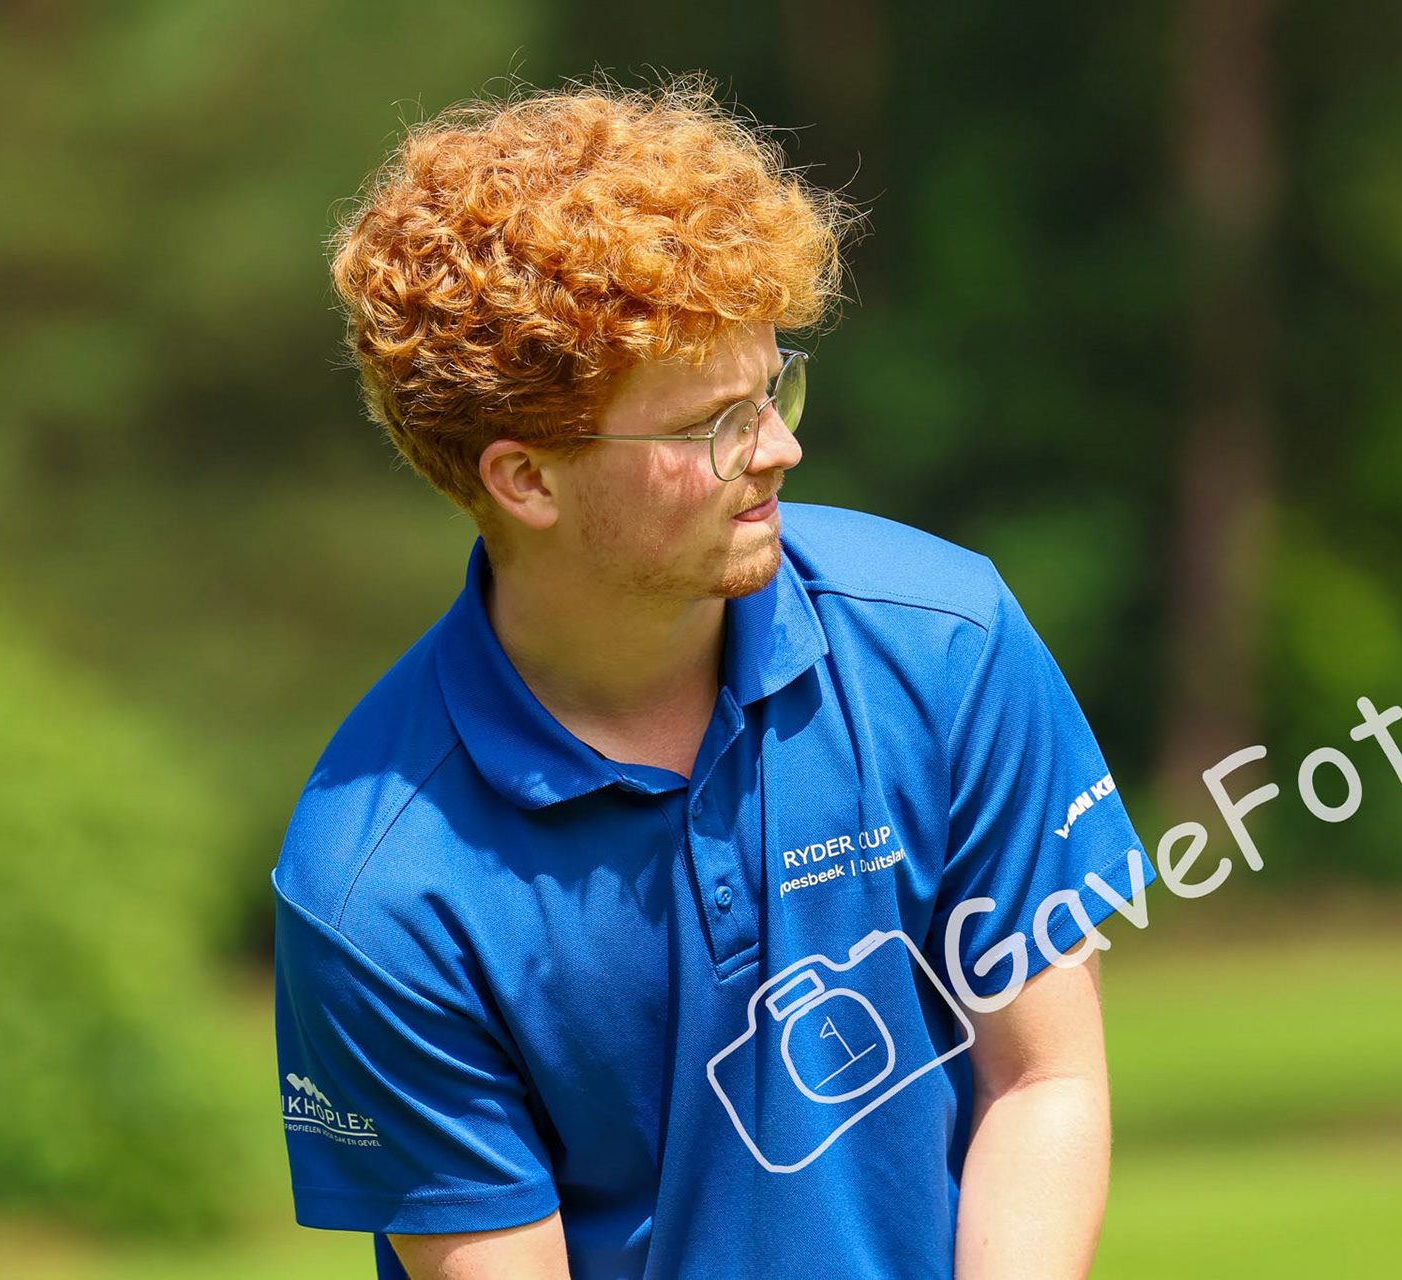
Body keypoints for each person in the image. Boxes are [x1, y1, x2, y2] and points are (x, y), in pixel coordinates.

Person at [273, 76, 1155, 1280]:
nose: (780, 447)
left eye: (774, 387)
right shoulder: (377, 882)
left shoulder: (946, 640)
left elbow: (1041, 1079)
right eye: (712, 425)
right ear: (526, 479)